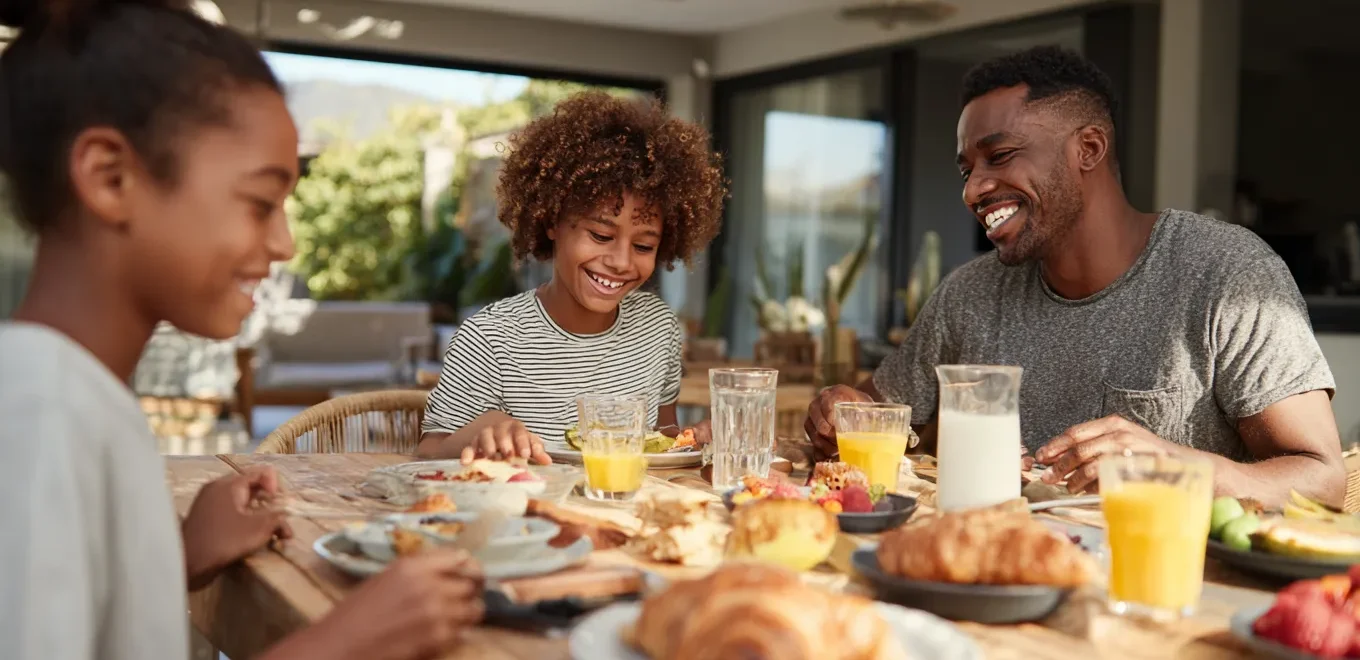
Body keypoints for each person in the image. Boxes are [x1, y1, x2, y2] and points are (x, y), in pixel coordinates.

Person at [0, 1, 484, 658]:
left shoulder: (77, 398)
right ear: (111, 177)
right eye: (260, 203)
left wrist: (179, 557)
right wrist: (343, 643)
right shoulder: (39, 413)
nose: (284, 243)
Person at [804, 46, 1345, 508]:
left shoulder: (1227, 274)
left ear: (1088, 148)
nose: (973, 190)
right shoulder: (969, 295)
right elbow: (876, 416)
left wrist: (1176, 468)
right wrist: (841, 412)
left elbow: (1322, 480)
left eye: (1001, 155)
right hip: (998, 578)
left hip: (1167, 595)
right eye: (968, 170)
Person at [416, 92, 726, 463]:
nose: (620, 262)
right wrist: (483, 430)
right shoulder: (491, 338)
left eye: (643, 246)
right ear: (551, 223)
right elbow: (429, 451)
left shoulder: (657, 328)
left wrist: (693, 440)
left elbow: (661, 438)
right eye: (600, 236)